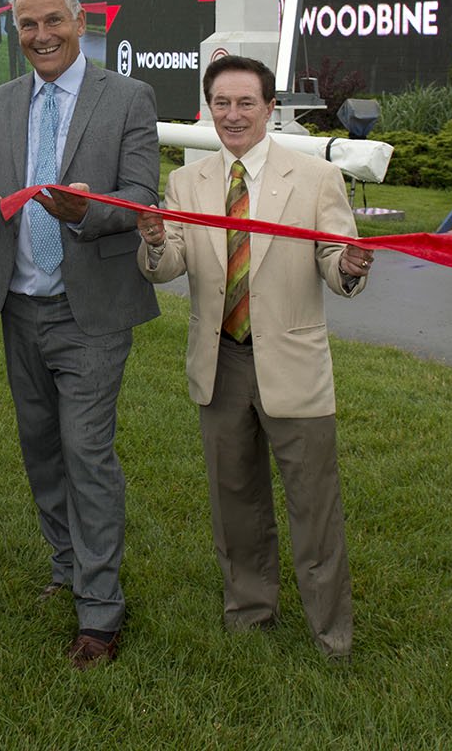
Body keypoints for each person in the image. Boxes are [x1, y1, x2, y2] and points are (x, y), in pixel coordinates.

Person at [0, 0, 159, 669]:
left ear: (79, 21)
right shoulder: (0, 101)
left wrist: (89, 210)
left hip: (91, 311)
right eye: (27, 25)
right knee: (41, 449)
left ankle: (100, 613)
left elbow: (139, 198)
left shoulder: (127, 98)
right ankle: (67, 569)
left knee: (85, 452)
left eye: (53, 22)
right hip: (19, 304)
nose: (41, 36)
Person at [135, 54, 372, 660]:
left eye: (246, 103)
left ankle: (331, 634)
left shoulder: (315, 178)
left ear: (270, 108)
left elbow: (332, 260)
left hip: (292, 365)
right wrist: (155, 243)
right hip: (222, 364)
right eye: (222, 103)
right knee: (235, 500)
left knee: (313, 505)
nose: (233, 115)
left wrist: (345, 267)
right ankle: (249, 612)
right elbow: (170, 268)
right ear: (207, 109)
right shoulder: (189, 183)